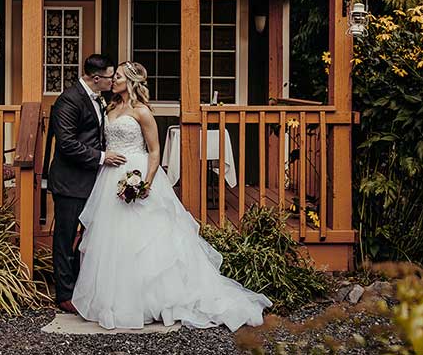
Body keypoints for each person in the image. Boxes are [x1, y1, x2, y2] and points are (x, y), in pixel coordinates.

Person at [71, 61, 272, 330]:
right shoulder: (110, 107)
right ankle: (118, 300)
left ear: (129, 81)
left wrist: (145, 183)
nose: (112, 80)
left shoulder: (142, 112)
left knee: (147, 238)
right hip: (109, 177)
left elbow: (154, 151)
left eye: (117, 76)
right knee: (113, 238)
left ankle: (155, 299)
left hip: (137, 173)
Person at [47, 54, 127, 314]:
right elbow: (68, 143)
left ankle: (83, 286)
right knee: (65, 237)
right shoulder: (68, 101)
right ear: (95, 78)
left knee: (91, 236)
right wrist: (103, 158)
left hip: (92, 182)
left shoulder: (99, 98)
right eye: (109, 77)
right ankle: (65, 294)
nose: (112, 81)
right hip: (70, 182)